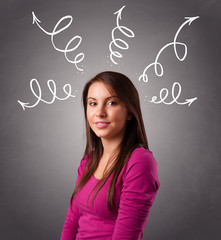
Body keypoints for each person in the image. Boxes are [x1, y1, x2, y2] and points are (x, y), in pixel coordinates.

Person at [60, 71, 160, 240]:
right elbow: (72, 221)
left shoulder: (140, 161)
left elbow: (125, 237)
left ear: (129, 112)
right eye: (92, 103)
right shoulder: (88, 161)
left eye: (111, 103)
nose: (99, 112)